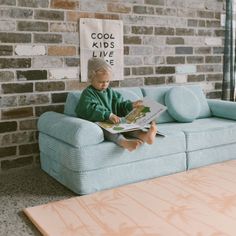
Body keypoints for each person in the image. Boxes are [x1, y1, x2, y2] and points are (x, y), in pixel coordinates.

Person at [75, 57, 157, 152]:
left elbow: (119, 105)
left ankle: (145, 136)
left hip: (115, 123)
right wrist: (108, 115)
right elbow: (89, 108)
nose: (105, 84)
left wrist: (131, 105)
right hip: (100, 123)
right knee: (107, 131)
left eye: (107, 81)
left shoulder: (110, 92)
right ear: (91, 78)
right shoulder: (88, 93)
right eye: (101, 82)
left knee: (130, 127)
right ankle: (124, 142)